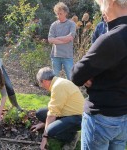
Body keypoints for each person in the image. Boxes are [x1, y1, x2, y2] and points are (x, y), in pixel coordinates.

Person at [71, 0, 127, 149]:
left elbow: (76, 75)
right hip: (123, 117)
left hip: (102, 117)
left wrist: (92, 74)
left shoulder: (112, 38)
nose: (101, 9)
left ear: (111, 2)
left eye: (101, 3)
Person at [30, 67, 84, 150]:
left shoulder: (58, 86)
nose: (42, 86)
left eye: (40, 83)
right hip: (68, 113)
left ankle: (72, 137)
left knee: (51, 131)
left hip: (78, 118)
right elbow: (53, 108)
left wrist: (44, 139)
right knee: (40, 113)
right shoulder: (57, 82)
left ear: (44, 81)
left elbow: (52, 115)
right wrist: (43, 124)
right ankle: (63, 130)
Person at [48, 2, 76, 80]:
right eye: (57, 13)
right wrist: (64, 40)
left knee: (71, 79)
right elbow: (50, 39)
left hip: (67, 56)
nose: (59, 15)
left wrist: (56, 39)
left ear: (65, 13)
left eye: (61, 13)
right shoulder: (54, 25)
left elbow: (70, 37)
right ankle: (54, 92)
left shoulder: (71, 24)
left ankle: (70, 92)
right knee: (54, 79)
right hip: (55, 56)